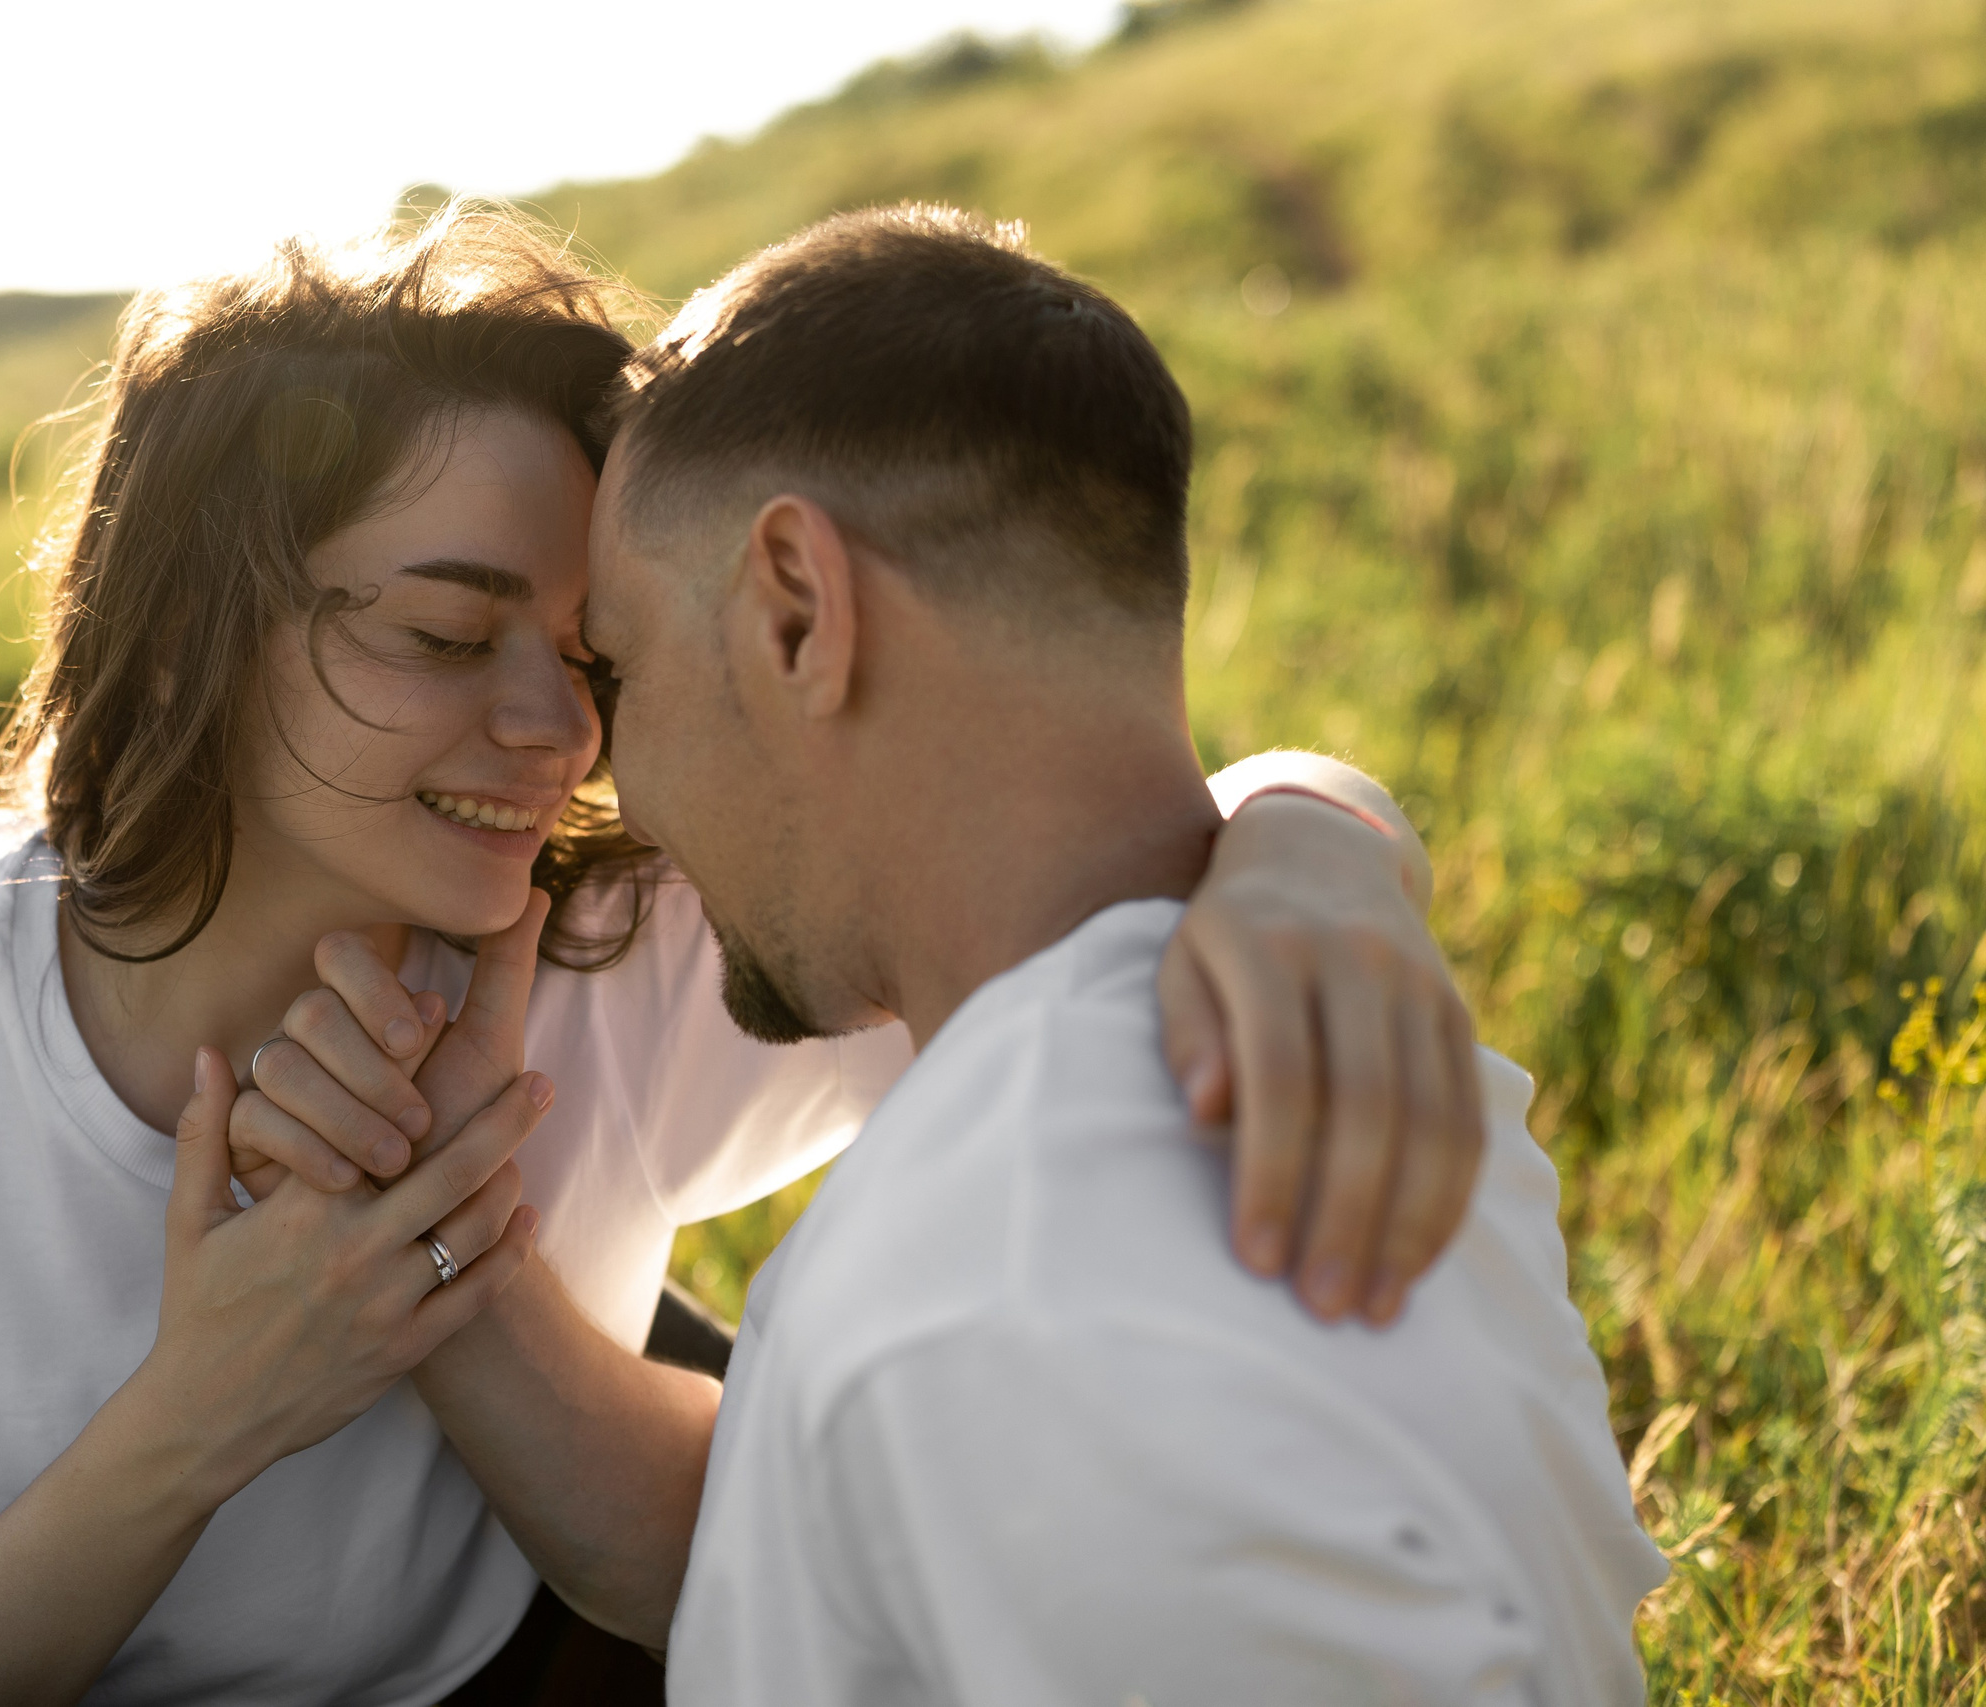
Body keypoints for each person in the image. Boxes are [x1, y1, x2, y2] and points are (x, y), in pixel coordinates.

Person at [0, 211, 1479, 1707]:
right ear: (197, 632)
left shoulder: (640, 926)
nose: (552, 737)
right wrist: (208, 1406)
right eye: (446, 640)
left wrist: (1310, 849)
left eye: (590, 654)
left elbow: (1086, 822)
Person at [571, 206, 1670, 1705]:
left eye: (619, 666)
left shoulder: (1003, 1289)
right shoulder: (1418, 1085)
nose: (621, 788)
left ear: (794, 613)